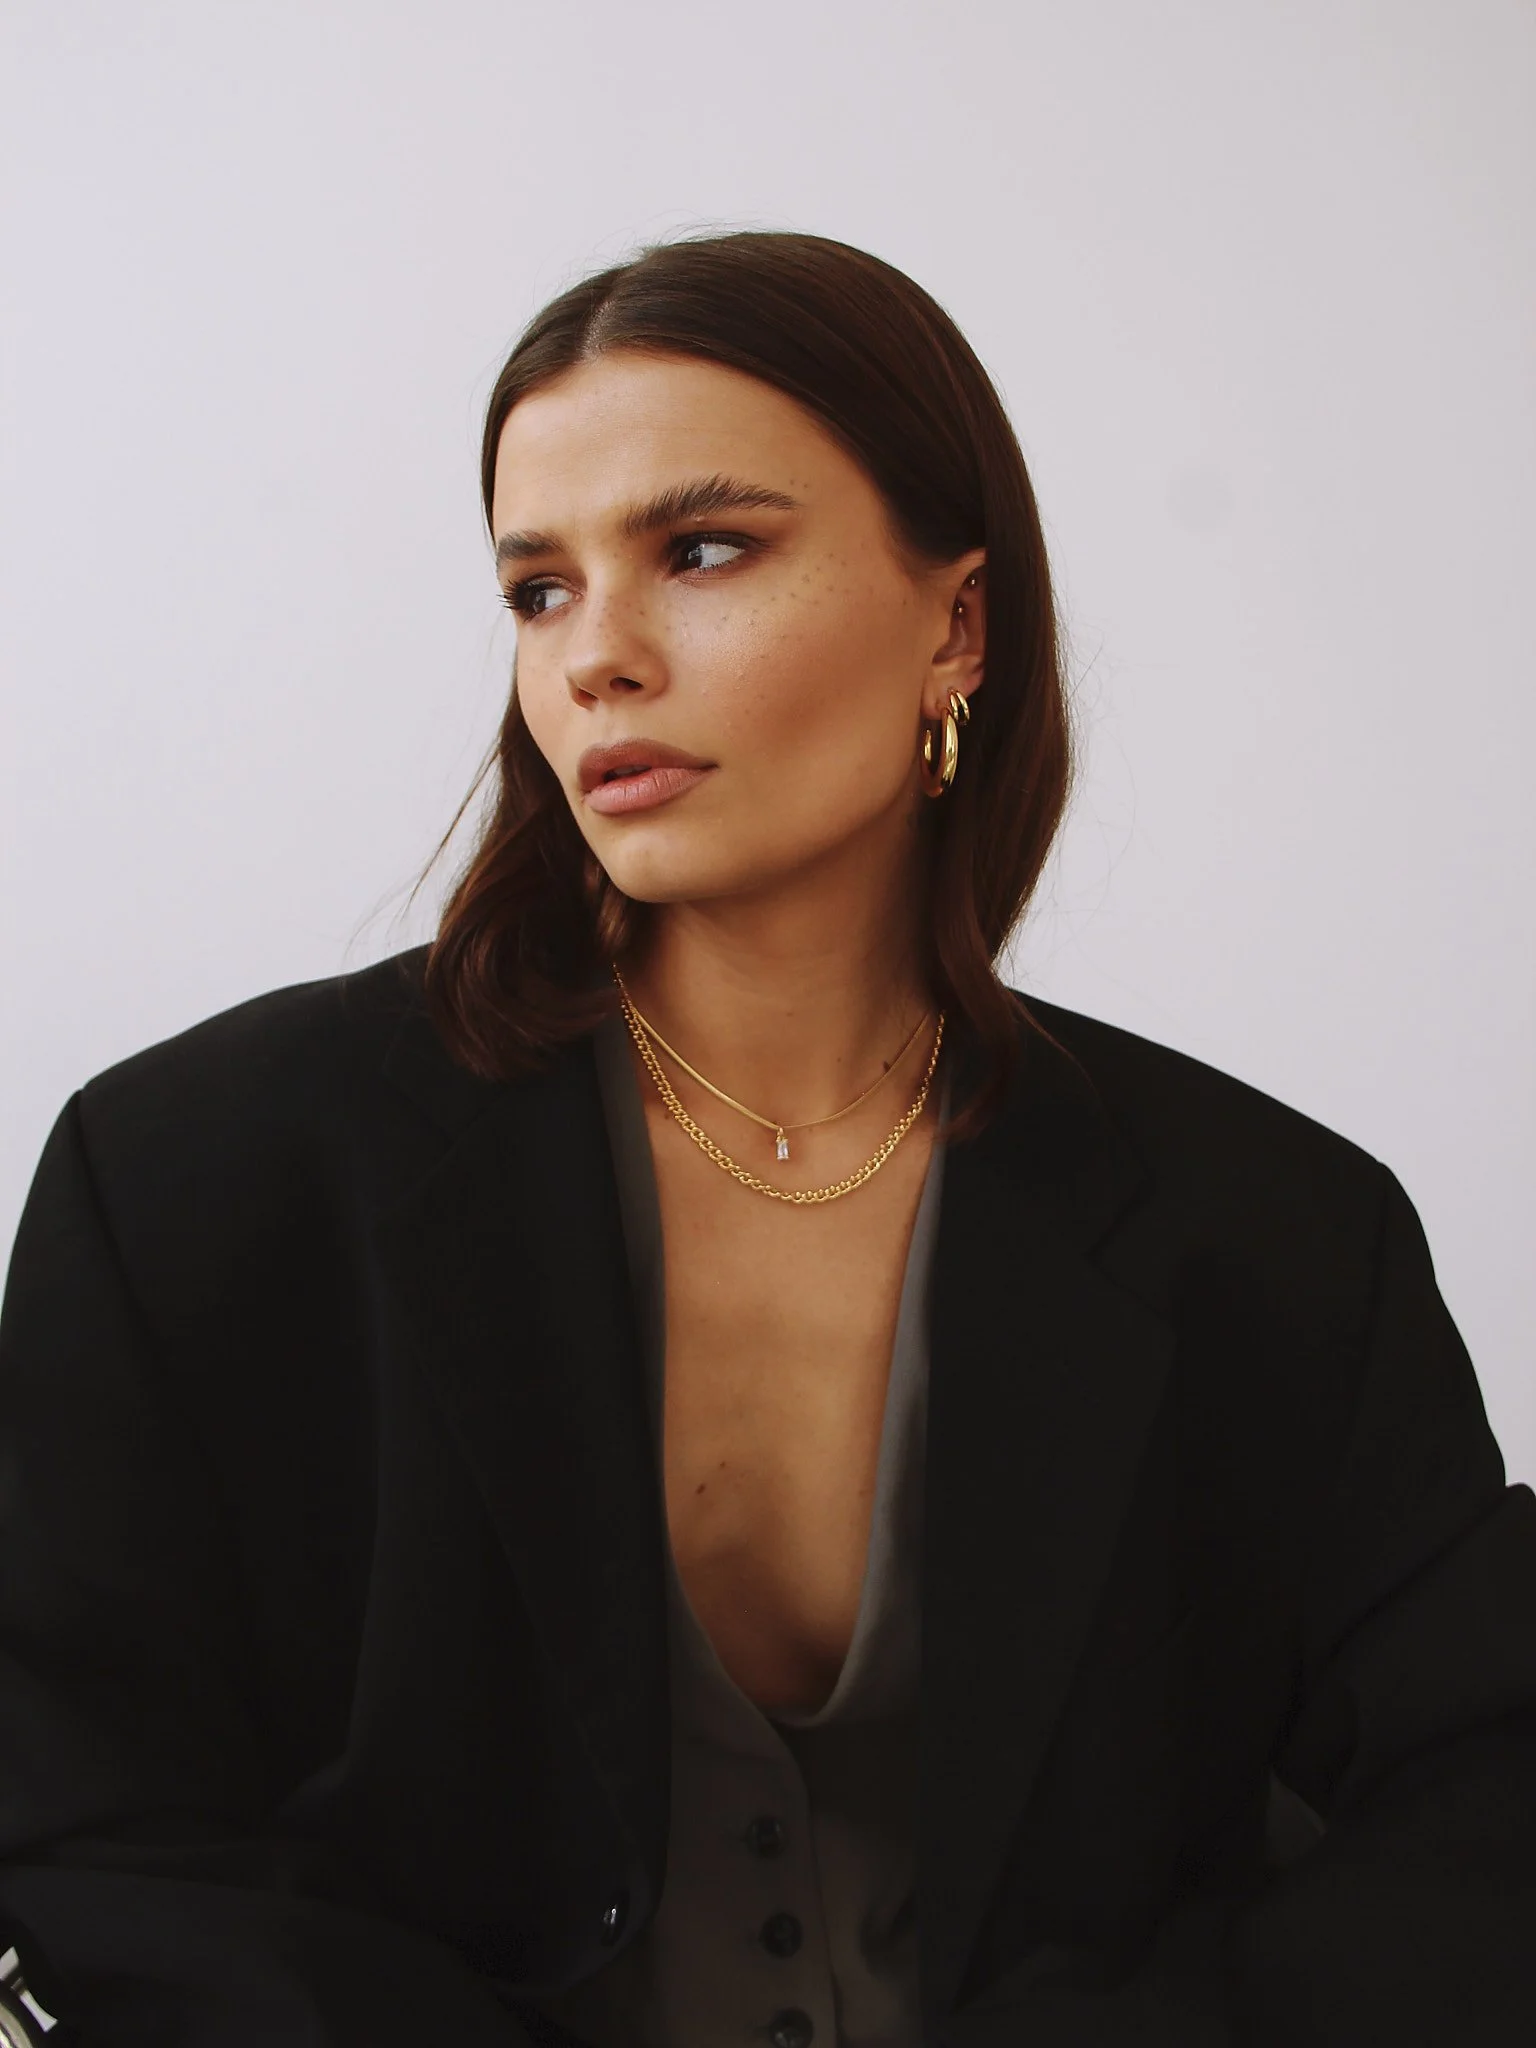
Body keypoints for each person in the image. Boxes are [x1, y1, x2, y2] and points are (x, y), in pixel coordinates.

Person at [0, 229, 1533, 2048]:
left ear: (956, 624)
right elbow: (81, 1821)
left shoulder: (1278, 1235)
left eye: (702, 550)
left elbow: (1490, 1792)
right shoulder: (194, 1179)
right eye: (537, 590)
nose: (598, 660)